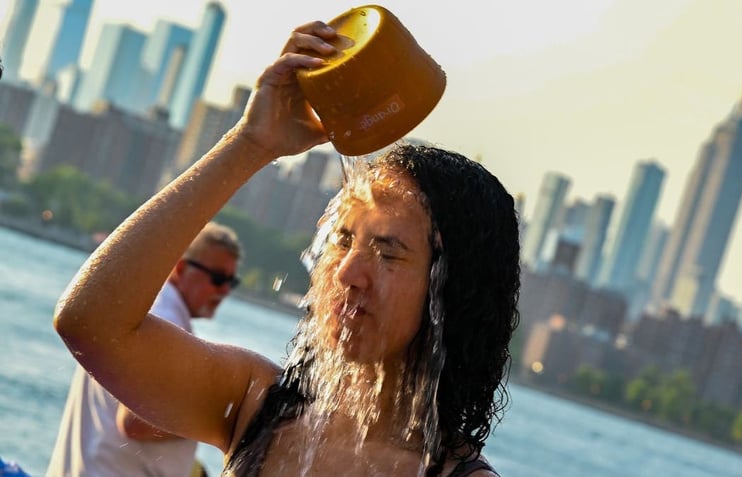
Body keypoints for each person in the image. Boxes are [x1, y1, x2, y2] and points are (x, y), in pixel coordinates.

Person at [52, 20, 519, 477]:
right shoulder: (256, 404)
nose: (347, 272)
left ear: (453, 292)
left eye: (388, 251)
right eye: (342, 239)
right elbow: (91, 322)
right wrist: (251, 143)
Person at [47, 222, 243, 476]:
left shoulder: (139, 310)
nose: (224, 290)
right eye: (217, 279)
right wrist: (225, 418)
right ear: (180, 268)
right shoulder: (165, 322)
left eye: (231, 282)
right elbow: (136, 423)